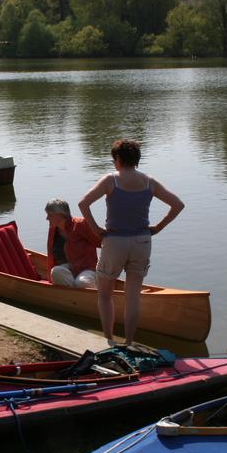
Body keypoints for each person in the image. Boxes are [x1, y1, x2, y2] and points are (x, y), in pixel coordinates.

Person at [78, 139, 185, 346]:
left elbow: (83, 203)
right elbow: (178, 205)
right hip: (142, 241)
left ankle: (108, 340)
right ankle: (128, 341)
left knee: (105, 295)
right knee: (133, 297)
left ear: (118, 159)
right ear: (137, 159)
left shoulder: (111, 180)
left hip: (115, 240)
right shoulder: (149, 182)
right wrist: (158, 227)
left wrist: (96, 229)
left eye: (113, 159)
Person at [44, 198, 100, 289]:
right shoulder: (53, 229)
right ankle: (74, 295)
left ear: (60, 215)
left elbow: (101, 243)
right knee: (55, 271)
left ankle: (96, 293)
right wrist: (50, 279)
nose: (47, 218)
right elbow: (50, 254)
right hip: (69, 267)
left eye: (49, 215)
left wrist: (106, 270)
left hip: (87, 268)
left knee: (81, 282)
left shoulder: (80, 224)